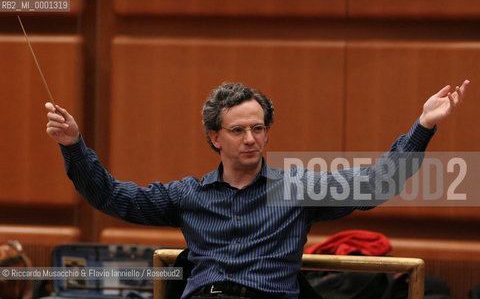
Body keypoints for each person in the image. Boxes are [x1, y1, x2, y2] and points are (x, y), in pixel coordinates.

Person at [45, 80, 470, 299]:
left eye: (258, 128)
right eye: (238, 130)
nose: (250, 139)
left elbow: (379, 183)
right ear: (215, 137)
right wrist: (74, 147)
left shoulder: (299, 188)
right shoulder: (188, 195)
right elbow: (113, 197)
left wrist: (423, 126)